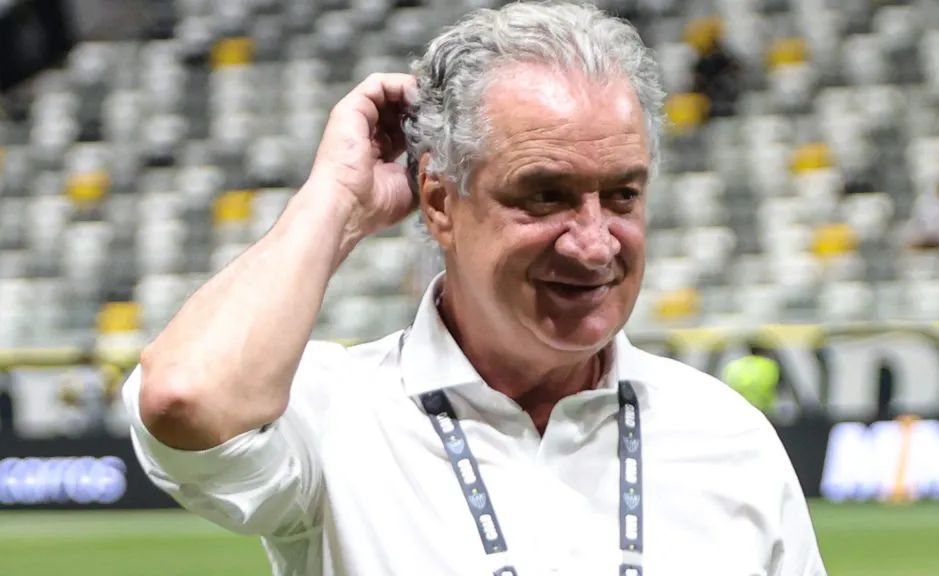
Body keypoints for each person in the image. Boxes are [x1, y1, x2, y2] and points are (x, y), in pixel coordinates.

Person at [122, 3, 827, 575]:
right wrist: (337, 201)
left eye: (622, 195)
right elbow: (187, 399)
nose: (594, 242)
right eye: (543, 196)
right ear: (438, 201)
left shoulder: (729, 438)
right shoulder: (340, 415)